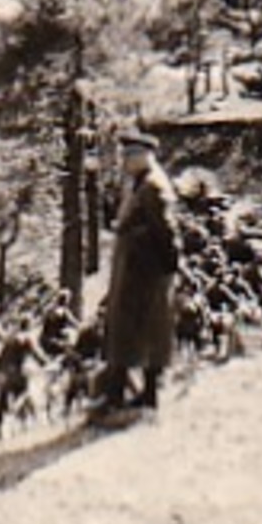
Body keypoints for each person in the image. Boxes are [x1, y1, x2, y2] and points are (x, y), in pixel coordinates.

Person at [97, 130, 181, 414]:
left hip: (146, 273)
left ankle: (141, 396)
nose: (123, 162)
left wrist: (167, 267)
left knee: (146, 332)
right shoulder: (140, 184)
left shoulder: (153, 187)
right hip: (135, 271)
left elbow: (166, 233)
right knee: (130, 332)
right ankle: (122, 395)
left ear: (142, 157)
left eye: (128, 156)